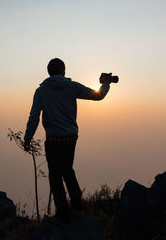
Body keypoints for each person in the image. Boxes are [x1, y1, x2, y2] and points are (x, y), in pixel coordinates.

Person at [23, 58, 112, 223]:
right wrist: (106, 84)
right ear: (63, 70)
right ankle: (77, 205)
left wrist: (27, 138)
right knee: (68, 170)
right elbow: (98, 96)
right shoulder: (72, 87)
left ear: (49, 72)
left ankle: (63, 213)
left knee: (55, 176)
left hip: (53, 140)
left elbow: (34, 117)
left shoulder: (41, 91)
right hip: (70, 139)